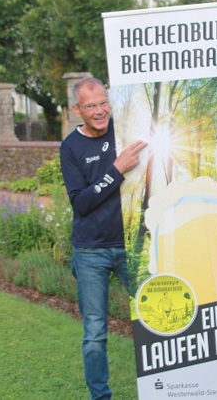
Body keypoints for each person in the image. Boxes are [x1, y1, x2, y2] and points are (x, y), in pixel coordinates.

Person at [60, 77, 148, 399]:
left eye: (103, 103)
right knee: (95, 334)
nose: (100, 111)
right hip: (90, 251)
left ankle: (175, 387)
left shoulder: (124, 130)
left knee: (159, 310)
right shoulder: (70, 147)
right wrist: (116, 169)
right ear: (77, 110)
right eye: (91, 106)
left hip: (130, 244)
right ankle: (101, 396)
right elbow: (80, 203)